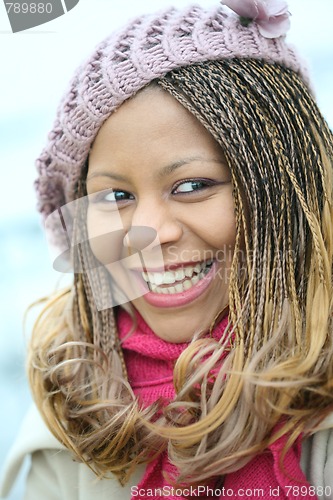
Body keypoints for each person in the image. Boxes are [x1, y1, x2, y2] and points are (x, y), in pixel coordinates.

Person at [1, 0, 333, 499]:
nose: (148, 231)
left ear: (288, 192)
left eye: (192, 184)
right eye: (116, 196)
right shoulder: (71, 416)